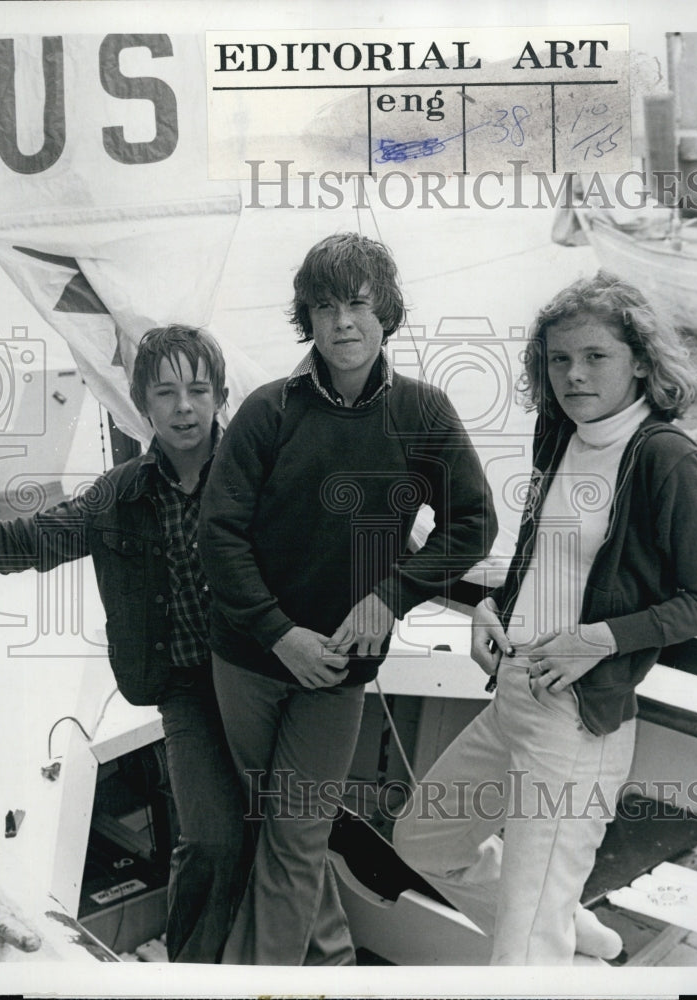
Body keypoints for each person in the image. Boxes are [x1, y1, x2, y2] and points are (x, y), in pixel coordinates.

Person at [197, 232, 497, 965]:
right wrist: (278, 635)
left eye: (357, 304)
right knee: (271, 824)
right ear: (307, 318)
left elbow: (472, 524)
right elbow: (219, 536)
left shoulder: (422, 414)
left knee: (295, 828)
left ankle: (259, 978)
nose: (341, 322)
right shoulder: (268, 413)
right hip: (248, 659)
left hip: (341, 672)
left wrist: (391, 596)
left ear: (384, 310)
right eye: (324, 306)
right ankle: (326, 955)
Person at [393, 271, 697, 965]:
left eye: (595, 356)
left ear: (640, 362)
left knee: (521, 954)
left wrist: (599, 639)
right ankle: (557, 922)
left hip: (575, 722)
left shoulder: (664, 458)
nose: (573, 374)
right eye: (558, 359)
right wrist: (490, 606)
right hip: (511, 695)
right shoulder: (558, 432)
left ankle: (544, 938)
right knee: (425, 841)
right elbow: (543, 559)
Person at [0, 325, 248, 963]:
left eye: (197, 389)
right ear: (142, 406)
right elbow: (38, 538)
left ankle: (274, 956)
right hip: (188, 690)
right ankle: (192, 970)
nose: (183, 406)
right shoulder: (121, 491)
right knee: (213, 839)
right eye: (165, 393)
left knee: (289, 832)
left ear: (219, 396)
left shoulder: (255, 471)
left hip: (262, 679)